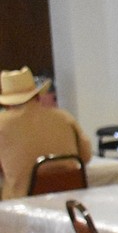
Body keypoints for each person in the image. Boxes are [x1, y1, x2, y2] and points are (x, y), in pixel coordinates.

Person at [0, 67, 92, 200]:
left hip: (22, 204)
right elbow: (86, 156)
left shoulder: (2, 123)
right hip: (70, 198)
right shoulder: (64, 117)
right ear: (37, 96)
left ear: (7, 104)